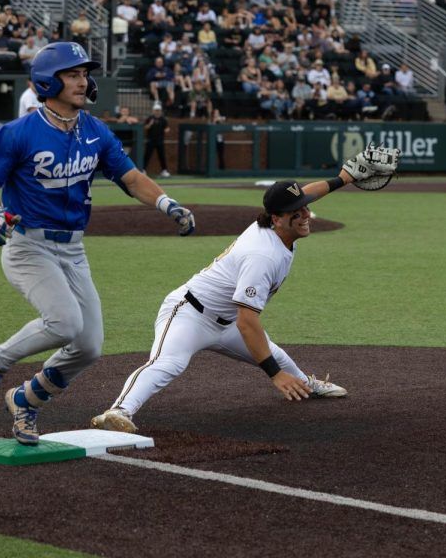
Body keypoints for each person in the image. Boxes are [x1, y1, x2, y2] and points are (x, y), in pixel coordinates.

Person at [0, 41, 196, 446]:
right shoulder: (17, 133)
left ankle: (26, 399)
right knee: (65, 323)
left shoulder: (94, 130)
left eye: (83, 74)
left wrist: (166, 202)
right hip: (28, 246)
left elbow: (130, 177)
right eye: (72, 74)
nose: (82, 80)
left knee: (88, 346)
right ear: (46, 81)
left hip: (73, 249)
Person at [88, 149, 401, 434]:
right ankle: (118, 412)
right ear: (278, 219)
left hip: (224, 322)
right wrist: (274, 376)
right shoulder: (262, 256)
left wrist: (343, 178)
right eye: (297, 212)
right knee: (169, 363)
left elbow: (307, 194)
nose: (305, 215)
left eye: (304, 209)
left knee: (277, 355)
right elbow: (247, 322)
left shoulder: (276, 221)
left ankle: (306, 384)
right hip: (189, 314)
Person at [143, 101, 170, 178]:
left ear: (160, 111)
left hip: (160, 141)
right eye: (156, 110)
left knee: (162, 156)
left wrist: (167, 130)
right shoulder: (149, 118)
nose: (157, 112)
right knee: (147, 155)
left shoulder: (163, 119)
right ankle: (143, 169)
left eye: (158, 110)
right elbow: (145, 128)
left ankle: (164, 170)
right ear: (153, 110)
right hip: (151, 140)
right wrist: (150, 124)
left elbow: (167, 128)